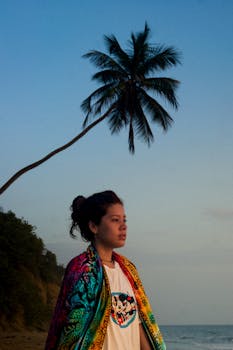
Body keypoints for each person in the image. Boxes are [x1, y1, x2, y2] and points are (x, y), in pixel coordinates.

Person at [45, 190, 166, 350]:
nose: (123, 226)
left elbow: (138, 323)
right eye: (115, 220)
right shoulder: (82, 270)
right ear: (94, 226)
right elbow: (73, 332)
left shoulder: (128, 270)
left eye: (124, 220)